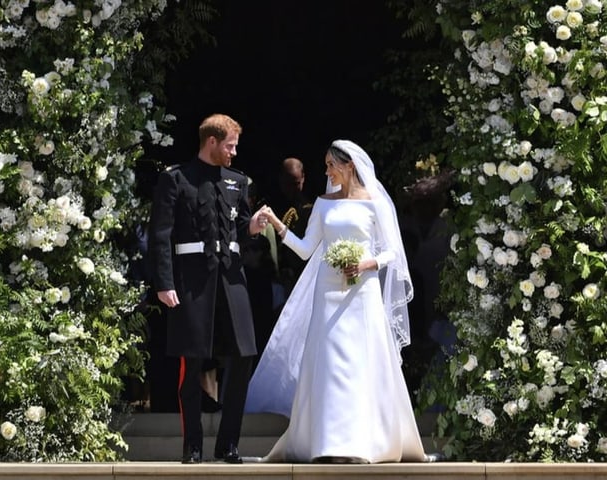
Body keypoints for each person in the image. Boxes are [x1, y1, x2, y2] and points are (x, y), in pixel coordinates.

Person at [246, 139, 427, 464]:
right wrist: (276, 223)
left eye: (331, 164)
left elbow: (392, 251)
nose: (326, 170)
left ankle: (365, 441)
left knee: (361, 361)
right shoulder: (323, 203)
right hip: (327, 290)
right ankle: (327, 441)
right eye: (326, 164)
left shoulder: (374, 202)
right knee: (329, 363)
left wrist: (366, 263)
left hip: (363, 289)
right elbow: (305, 249)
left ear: (349, 166)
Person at [148, 113, 267, 464]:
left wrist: (255, 227)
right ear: (211, 142)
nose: (233, 152)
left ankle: (228, 443)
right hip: (193, 282)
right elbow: (161, 236)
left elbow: (241, 228)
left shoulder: (237, 181)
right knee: (192, 361)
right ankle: (193, 446)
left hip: (231, 281)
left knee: (243, 356)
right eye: (229, 146)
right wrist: (164, 283)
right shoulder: (176, 179)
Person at [274, 157, 313, 295]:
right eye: (287, 184)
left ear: (303, 178)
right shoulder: (272, 205)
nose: (292, 189)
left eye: (295, 183)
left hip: (301, 273)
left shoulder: (309, 209)